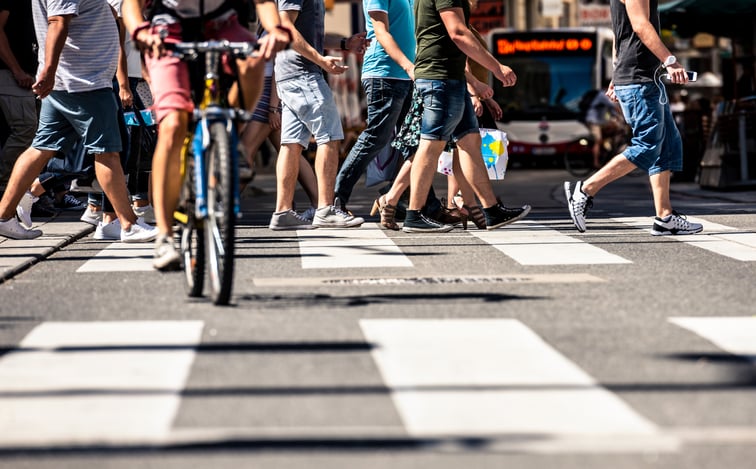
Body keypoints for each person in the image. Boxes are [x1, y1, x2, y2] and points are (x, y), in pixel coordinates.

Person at [122, 0, 292, 268]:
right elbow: (131, 3)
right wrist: (140, 31)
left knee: (253, 58)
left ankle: (231, 136)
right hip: (169, 31)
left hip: (221, 25)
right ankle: (165, 237)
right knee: (174, 124)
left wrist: (276, 29)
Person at [0, 0, 158, 242]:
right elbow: (58, 21)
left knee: (42, 147)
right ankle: (128, 223)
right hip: (83, 83)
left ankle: (4, 215)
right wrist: (50, 72)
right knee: (107, 152)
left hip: (73, 80)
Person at [564, 0, 703, 237]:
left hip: (644, 77)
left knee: (667, 145)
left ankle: (665, 217)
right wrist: (671, 61)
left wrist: (616, 76)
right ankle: (585, 190)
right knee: (647, 146)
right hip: (639, 78)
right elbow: (639, 25)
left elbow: (620, 36)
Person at [402, 0, 530, 233]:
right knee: (431, 144)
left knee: (470, 142)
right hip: (440, 78)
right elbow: (458, 32)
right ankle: (414, 215)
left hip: (450, 77)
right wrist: (496, 67)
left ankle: (491, 211)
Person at [268, 0, 370, 230]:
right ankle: (325, 209)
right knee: (330, 137)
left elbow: (308, 36)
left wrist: (344, 43)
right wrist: (321, 60)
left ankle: (282, 212)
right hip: (303, 74)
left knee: (291, 144)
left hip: (292, 73)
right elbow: (286, 27)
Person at [331, 0, 415, 215]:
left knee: (415, 142)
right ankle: (336, 199)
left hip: (406, 76)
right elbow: (381, 32)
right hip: (384, 73)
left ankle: (411, 201)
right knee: (377, 136)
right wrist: (409, 66)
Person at [0, 0, 37, 191]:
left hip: (27, 74)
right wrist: (16, 70)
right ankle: (6, 185)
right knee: (26, 128)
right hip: (10, 73)